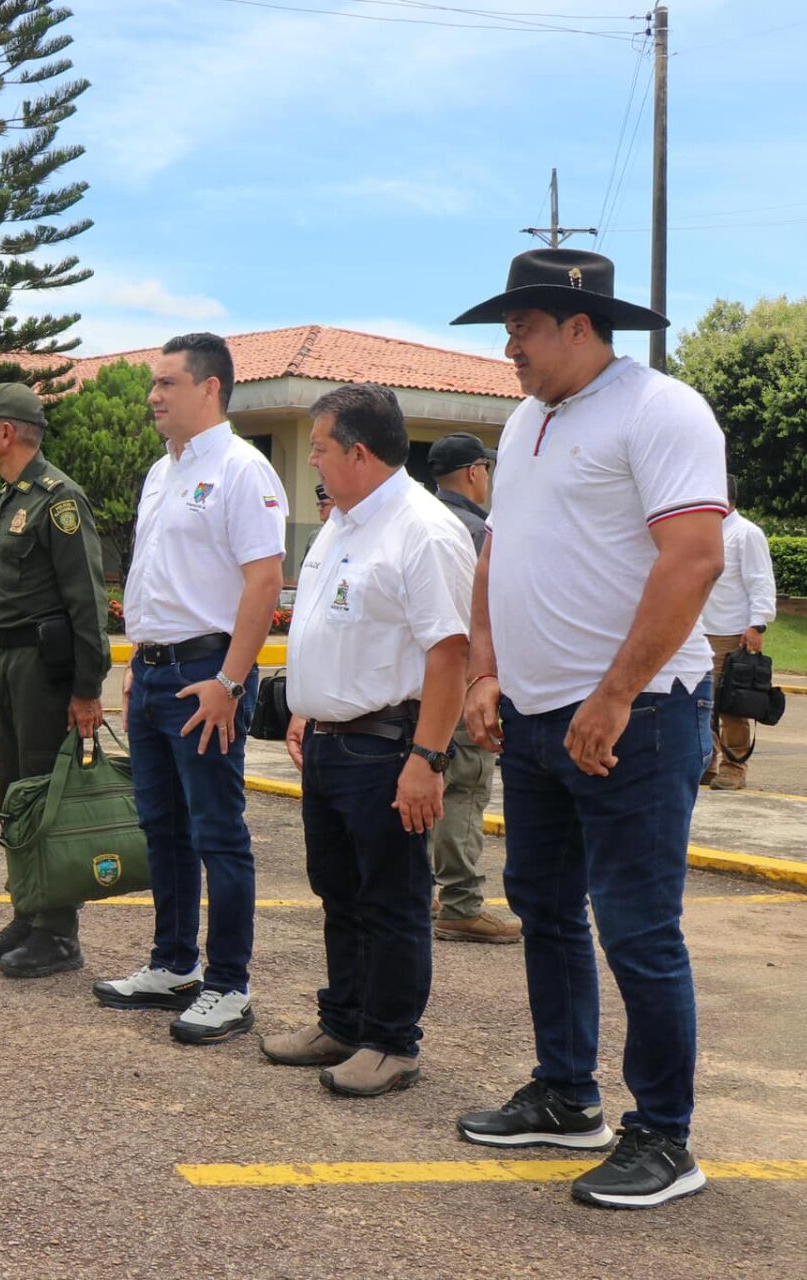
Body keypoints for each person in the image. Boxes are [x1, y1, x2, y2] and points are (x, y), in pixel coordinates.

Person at [451, 247, 727, 1210]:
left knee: (640, 927)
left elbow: (693, 558)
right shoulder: (528, 419)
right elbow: (496, 557)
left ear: (578, 325)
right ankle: (567, 1093)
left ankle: (665, 1137)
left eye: (522, 327)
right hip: (532, 718)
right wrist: (487, 671)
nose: (509, 346)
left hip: (637, 717)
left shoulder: (661, 410)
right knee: (546, 906)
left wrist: (615, 693)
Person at [267, 385, 474, 1097]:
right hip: (329, 743)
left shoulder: (423, 528)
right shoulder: (343, 523)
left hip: (388, 746)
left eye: (320, 449)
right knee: (339, 892)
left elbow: (449, 653)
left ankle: (392, 1041)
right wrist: (306, 707)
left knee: (390, 897)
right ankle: (346, 1020)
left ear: (358, 451)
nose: (314, 462)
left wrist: (428, 757)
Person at [95, 334, 286, 1046]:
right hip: (154, 674)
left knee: (217, 832)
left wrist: (231, 681)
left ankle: (228, 983)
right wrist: (136, 671)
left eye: (167, 383)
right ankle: (172, 963)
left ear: (210, 388)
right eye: (154, 383)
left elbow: (264, 581)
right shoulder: (159, 472)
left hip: (209, 674)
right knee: (162, 828)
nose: (153, 395)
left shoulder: (242, 468)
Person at [0, 384, 109, 978]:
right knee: (14, 794)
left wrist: (88, 689)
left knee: (44, 797)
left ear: (6, 432)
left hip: (45, 671)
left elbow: (87, 602)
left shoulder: (58, 499)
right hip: (10, 661)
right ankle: (27, 912)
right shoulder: (12, 497)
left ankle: (58, 934)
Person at [426, 432, 520, 944]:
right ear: (474, 472)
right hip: (462, 678)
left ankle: (423, 895)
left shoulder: (421, 520)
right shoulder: (478, 530)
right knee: (464, 788)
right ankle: (461, 904)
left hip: (418, 685)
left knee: (421, 787)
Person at [700, 478, 777, 787]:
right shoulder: (706, 532)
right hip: (699, 630)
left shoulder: (746, 533)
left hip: (731, 631)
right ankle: (707, 761)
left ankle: (735, 767)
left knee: (731, 703)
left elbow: (761, 581)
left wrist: (757, 624)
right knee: (701, 703)